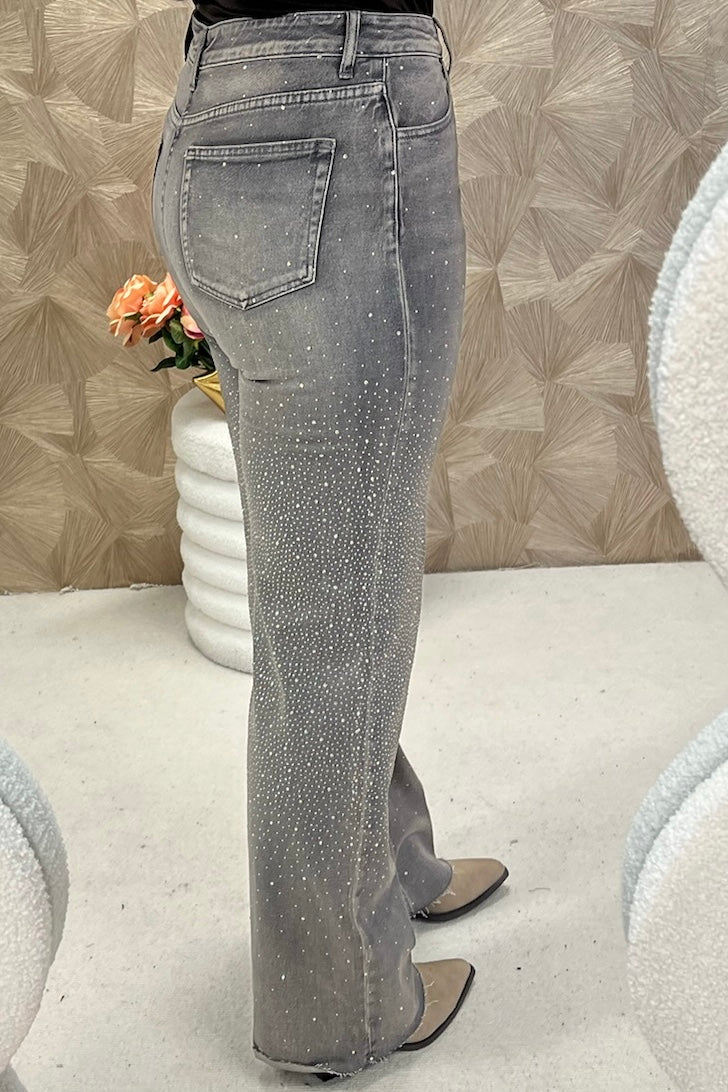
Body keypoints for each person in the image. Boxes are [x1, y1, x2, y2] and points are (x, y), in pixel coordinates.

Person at [151, 3, 509, 1080]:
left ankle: (389, 872)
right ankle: (337, 1008)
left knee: (329, 589)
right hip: (342, 104)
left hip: (228, 104)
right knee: (337, 620)